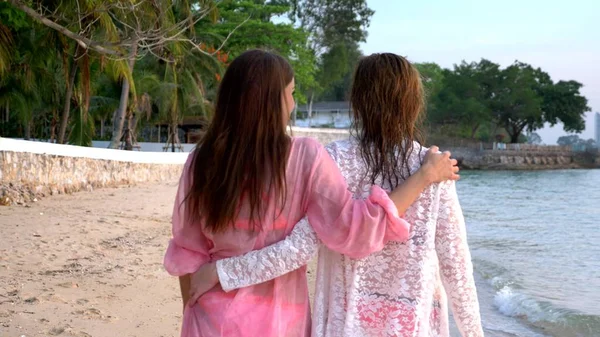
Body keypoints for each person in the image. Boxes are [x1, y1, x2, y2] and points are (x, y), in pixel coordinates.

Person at [164, 49, 458, 337]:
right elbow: (355, 230)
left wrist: (193, 310)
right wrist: (424, 176)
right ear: (271, 101)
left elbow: (188, 250)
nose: (292, 104)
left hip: (209, 316)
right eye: (290, 94)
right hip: (278, 320)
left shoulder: (202, 160)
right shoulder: (305, 157)